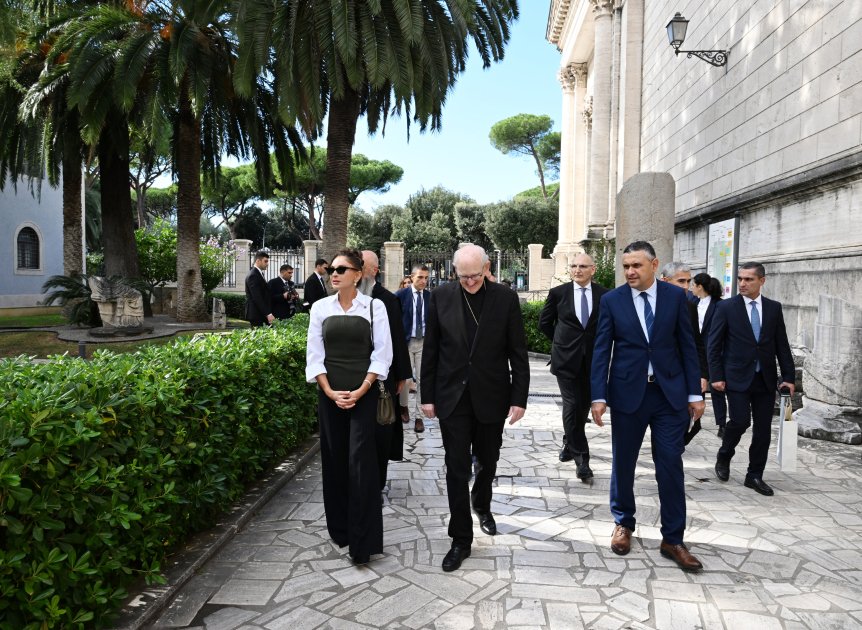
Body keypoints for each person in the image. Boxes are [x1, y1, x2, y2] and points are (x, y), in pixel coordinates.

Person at [590, 241, 705, 572]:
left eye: (636, 265)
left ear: (654, 266)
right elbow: (601, 351)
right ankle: (623, 522)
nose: (630, 272)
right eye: (626, 266)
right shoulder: (612, 301)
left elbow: (687, 345)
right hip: (628, 395)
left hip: (669, 397)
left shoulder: (676, 298)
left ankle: (673, 538)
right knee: (623, 463)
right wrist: (598, 395)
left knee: (670, 464)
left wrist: (694, 394)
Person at [421, 244, 529, 572]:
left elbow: (518, 352)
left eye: (475, 275)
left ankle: (482, 503)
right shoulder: (440, 296)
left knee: (489, 460)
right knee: (455, 467)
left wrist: (519, 398)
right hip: (452, 397)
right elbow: (431, 349)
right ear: (455, 272)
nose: (470, 282)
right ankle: (460, 538)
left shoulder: (506, 299)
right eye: (463, 276)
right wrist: (427, 396)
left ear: (486, 268)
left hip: (492, 396)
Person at [305, 248, 393, 565]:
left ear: (358, 274)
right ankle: (340, 530)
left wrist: (361, 389)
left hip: (364, 396)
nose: (334, 274)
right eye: (331, 269)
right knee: (335, 461)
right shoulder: (319, 308)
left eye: (342, 269)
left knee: (361, 465)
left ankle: (362, 543)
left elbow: (382, 355)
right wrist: (330, 392)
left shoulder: (374, 307)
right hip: (330, 397)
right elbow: (314, 356)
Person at [709, 262, 795, 497]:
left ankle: (754, 475)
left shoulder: (774, 308)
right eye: (740, 279)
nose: (743, 284)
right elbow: (713, 345)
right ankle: (724, 454)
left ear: (762, 281)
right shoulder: (726, 308)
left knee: (763, 431)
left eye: (749, 279)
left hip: (765, 379)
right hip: (735, 377)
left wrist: (788, 376)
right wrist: (716, 375)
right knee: (740, 421)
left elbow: (782, 345)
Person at [539, 253, 608, 480]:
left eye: (582, 266)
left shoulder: (604, 295)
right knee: (571, 404)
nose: (577, 270)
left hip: (593, 362)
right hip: (565, 361)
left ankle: (569, 443)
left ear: (593, 269)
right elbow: (545, 323)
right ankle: (582, 460)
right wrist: (561, 344)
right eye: (574, 266)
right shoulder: (559, 293)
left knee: (583, 407)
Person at [358, 251, 412, 492]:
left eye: (363, 267)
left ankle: (377, 484)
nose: (359, 272)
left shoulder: (387, 299)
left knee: (380, 433)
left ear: (374, 271)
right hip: (351, 376)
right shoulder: (345, 298)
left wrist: (402, 375)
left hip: (382, 378)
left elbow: (398, 340)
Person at [660, 262, 708, 397]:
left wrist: (702, 374)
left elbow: (697, 343)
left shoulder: (690, 307)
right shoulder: (651, 305)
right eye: (681, 281)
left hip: (681, 375)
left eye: (688, 281)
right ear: (664, 280)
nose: (686, 287)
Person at [692, 272, 728, 437]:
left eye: (693, 284)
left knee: (716, 388)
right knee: (696, 386)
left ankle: (721, 423)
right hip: (696, 351)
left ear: (700, 287)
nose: (691, 288)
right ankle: (695, 421)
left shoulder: (719, 305)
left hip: (713, 351)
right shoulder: (691, 302)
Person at [396, 265, 431, 434]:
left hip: (424, 342)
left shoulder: (431, 297)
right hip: (406, 343)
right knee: (406, 380)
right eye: (420, 277)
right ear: (412, 277)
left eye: (426, 278)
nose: (423, 281)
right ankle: (403, 407)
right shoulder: (401, 295)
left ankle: (419, 417)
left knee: (422, 379)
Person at [244, 251, 274, 327]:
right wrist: (268, 313)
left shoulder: (258, 273)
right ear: (258, 261)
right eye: (265, 261)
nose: (267, 264)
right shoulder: (253, 275)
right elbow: (257, 297)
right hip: (256, 314)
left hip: (260, 314)